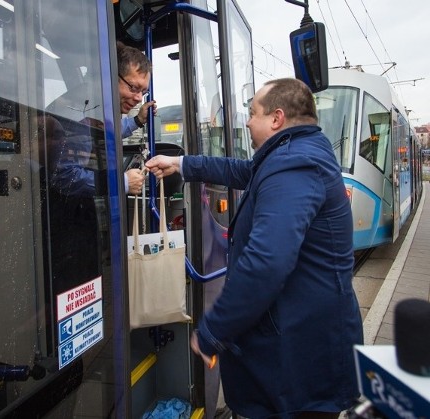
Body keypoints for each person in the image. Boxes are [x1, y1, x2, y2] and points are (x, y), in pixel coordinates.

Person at [145, 78, 363, 418]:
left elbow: (266, 262)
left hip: (298, 357)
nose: (247, 121)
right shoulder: (293, 155)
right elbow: (243, 171)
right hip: (298, 344)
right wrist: (182, 164)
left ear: (276, 118)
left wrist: (213, 330)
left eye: (252, 113)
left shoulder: (295, 164)